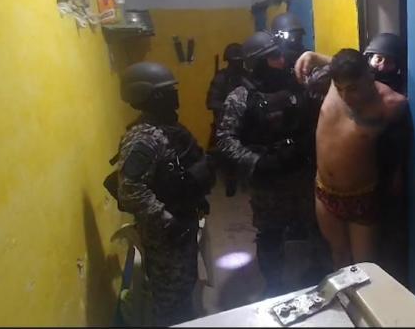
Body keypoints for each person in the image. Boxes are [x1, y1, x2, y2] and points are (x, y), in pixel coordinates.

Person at [213, 30, 319, 297]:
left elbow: (314, 120)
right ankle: (274, 285)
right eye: (273, 56)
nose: (281, 60)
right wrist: (258, 162)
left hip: (301, 173)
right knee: (270, 234)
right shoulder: (241, 97)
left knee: (314, 226)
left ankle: (317, 274)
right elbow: (225, 140)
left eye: (279, 54)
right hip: (268, 181)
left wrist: (303, 147)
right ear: (258, 62)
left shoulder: (297, 86)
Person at [109, 61, 215, 326]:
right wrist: (167, 220)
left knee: (185, 286)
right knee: (169, 300)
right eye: (168, 91)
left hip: (183, 223)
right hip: (165, 235)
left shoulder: (169, 129)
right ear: (150, 96)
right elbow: (130, 189)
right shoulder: (143, 138)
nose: (175, 95)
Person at [310, 49, 408, 268]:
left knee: (365, 267)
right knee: (338, 255)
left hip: (360, 197)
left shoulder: (391, 104)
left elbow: (402, 142)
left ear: (369, 76)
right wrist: (313, 56)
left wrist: (397, 174)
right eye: (340, 89)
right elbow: (337, 64)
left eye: (353, 89)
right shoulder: (336, 83)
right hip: (323, 191)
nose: (346, 97)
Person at [205, 42, 248, 196]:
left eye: (239, 61)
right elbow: (211, 103)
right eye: (234, 62)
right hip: (226, 122)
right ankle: (230, 182)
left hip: (246, 122)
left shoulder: (247, 76)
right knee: (226, 154)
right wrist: (229, 109)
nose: (237, 65)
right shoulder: (221, 78)